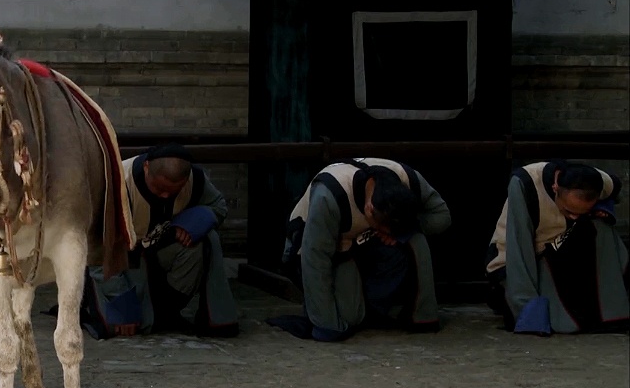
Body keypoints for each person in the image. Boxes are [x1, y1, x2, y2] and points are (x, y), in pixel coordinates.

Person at [266, 158, 451, 342]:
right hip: (328, 251)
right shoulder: (329, 195)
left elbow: (442, 215)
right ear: (369, 209)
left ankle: (416, 313)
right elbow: (314, 259)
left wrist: (402, 231)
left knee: (415, 240)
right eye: (382, 225)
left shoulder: (407, 178)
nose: (385, 231)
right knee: (349, 317)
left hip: (365, 246)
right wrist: (326, 324)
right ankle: (354, 310)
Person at [81, 143, 239, 338]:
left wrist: (193, 221)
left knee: (206, 238)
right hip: (119, 258)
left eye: (173, 191)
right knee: (120, 325)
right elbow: (97, 253)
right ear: (146, 167)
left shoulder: (195, 180)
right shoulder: (116, 184)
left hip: (159, 251)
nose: (165, 196)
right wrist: (123, 305)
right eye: (159, 188)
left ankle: (166, 311)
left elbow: (218, 205)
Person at [484, 160, 629, 335]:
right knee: (560, 319)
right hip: (522, 258)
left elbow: (614, 192)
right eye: (568, 210)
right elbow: (519, 245)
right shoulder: (526, 183)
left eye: (580, 212)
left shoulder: (602, 181)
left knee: (601, 226)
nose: (574, 217)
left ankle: (611, 311)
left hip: (561, 247)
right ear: (555, 188)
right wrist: (527, 309)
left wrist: (601, 208)